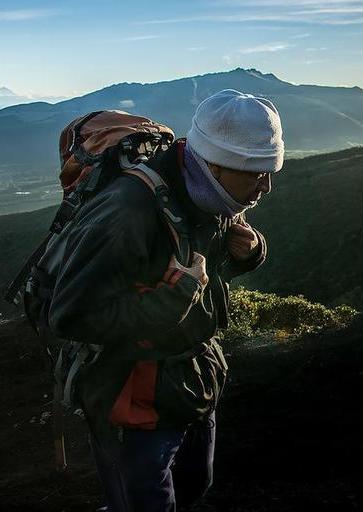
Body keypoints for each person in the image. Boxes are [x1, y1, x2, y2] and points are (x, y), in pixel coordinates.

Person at [48, 89, 284, 511]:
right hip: (132, 398)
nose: (266, 187)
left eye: (271, 171)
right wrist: (180, 295)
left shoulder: (209, 193)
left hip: (192, 380)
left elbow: (198, 266)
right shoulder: (126, 213)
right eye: (255, 173)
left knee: (195, 485)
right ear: (213, 162)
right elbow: (71, 315)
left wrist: (248, 253)